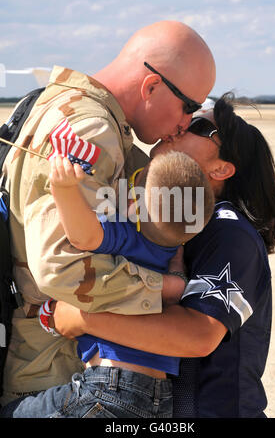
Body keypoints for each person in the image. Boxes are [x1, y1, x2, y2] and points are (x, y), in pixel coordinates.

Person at [0, 20, 216, 407]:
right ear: (151, 86)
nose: (185, 122)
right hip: (56, 372)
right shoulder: (92, 130)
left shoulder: (53, 104)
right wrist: (165, 290)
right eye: (189, 107)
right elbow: (62, 267)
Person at [37, 93, 275, 418]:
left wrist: (83, 316)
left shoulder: (228, 232)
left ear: (222, 168)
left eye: (197, 125)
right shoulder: (173, 220)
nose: (177, 127)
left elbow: (198, 334)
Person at [0, 151, 215, 417]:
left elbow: (84, 236)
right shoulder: (174, 254)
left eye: (132, 181)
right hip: (159, 396)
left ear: (137, 205)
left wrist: (62, 187)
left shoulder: (128, 236)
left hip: (109, 387)